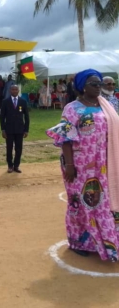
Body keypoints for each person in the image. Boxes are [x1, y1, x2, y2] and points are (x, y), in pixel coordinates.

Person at [46, 69, 119, 261]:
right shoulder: (72, 108)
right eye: (94, 84)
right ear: (82, 87)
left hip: (102, 164)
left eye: (100, 84)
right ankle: (78, 241)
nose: (99, 88)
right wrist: (70, 164)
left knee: (102, 202)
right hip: (78, 164)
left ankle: (104, 241)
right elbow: (65, 138)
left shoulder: (106, 106)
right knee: (79, 202)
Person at [0, 85, 29, 173]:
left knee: (19, 148)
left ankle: (16, 165)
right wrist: (3, 129)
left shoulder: (23, 101)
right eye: (12, 89)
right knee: (9, 148)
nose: (14, 91)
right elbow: (2, 117)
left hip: (20, 129)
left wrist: (26, 130)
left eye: (16, 89)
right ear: (10, 90)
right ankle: (10, 165)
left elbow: (27, 117)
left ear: (18, 90)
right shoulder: (5, 102)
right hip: (9, 129)